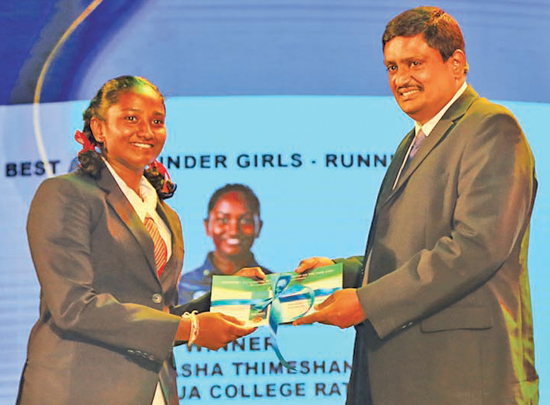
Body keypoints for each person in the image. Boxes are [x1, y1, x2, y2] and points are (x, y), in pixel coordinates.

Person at [293, 7, 539, 405]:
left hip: (460, 381)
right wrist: (342, 273)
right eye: (391, 67)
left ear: (456, 63)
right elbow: (414, 250)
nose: (400, 79)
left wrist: (365, 302)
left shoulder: (492, 128)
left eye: (414, 63)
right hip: (404, 376)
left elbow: (475, 248)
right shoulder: (411, 143)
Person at [16, 76, 261, 405]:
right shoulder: (66, 194)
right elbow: (73, 307)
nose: (146, 131)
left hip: (153, 389)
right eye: (131, 118)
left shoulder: (164, 213)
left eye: (157, 121)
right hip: (77, 390)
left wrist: (225, 295)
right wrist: (192, 331)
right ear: (99, 129)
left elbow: (155, 309)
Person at [178, 183, 271, 304]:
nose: (234, 231)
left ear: (259, 227)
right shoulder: (183, 285)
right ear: (207, 226)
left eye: (245, 220)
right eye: (223, 220)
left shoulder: (274, 286)